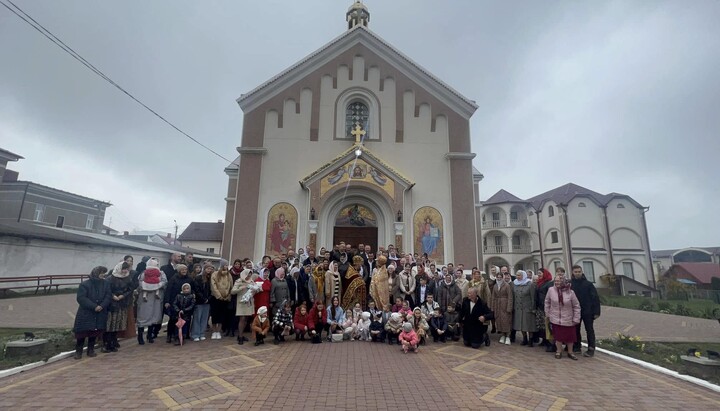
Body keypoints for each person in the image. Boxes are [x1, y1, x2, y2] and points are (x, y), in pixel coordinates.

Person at [73, 266, 111, 359]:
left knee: (94, 331)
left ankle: (91, 350)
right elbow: (81, 298)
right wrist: (94, 306)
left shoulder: (106, 284)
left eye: (104, 273)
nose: (103, 275)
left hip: (100, 312)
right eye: (101, 272)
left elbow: (108, 296)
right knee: (82, 332)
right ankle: (79, 351)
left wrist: (102, 306)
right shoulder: (85, 284)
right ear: (96, 273)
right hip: (86, 312)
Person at [545, 273, 581, 360]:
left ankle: (570, 352)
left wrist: (576, 318)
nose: (557, 283)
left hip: (568, 317)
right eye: (556, 281)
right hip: (555, 317)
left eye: (559, 281)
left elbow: (576, 306)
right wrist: (548, 313)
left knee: (570, 336)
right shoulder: (551, 290)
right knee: (558, 336)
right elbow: (547, 302)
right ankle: (559, 351)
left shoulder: (570, 292)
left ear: (564, 281)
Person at [571, 264, 601, 357]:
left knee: (589, 330)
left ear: (582, 272)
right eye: (575, 272)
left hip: (588, 311)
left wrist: (596, 312)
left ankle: (591, 348)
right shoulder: (570, 284)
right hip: (576, 311)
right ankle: (577, 346)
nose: (577, 274)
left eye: (579, 272)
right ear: (572, 272)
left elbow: (595, 298)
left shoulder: (588, 284)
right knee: (575, 329)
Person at [103, 261, 133, 353]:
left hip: (122, 303)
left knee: (118, 324)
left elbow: (130, 289)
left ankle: (113, 340)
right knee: (110, 324)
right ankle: (107, 343)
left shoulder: (128, 278)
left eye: (126, 269)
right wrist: (112, 296)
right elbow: (106, 289)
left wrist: (123, 295)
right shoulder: (110, 278)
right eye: (123, 269)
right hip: (111, 305)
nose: (125, 271)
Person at [513, 270, 538, 347]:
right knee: (521, 324)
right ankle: (524, 338)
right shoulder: (515, 283)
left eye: (519, 275)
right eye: (517, 275)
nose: (518, 277)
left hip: (527, 307)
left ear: (523, 276)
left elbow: (533, 297)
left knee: (528, 325)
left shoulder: (529, 284)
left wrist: (533, 308)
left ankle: (530, 339)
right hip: (518, 308)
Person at [231, 268, 255, 345]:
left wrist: (256, 289)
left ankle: (241, 335)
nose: (249, 276)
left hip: (249, 301)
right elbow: (233, 291)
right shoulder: (239, 281)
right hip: (241, 302)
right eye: (248, 275)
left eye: (250, 275)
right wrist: (242, 287)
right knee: (242, 318)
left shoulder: (251, 281)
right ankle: (240, 336)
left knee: (246, 319)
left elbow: (254, 289)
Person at [210, 261, 233, 340]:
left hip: (225, 299)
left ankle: (218, 331)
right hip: (216, 298)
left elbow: (231, 286)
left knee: (221, 315)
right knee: (214, 315)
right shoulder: (215, 274)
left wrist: (228, 295)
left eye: (227, 265)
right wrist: (218, 295)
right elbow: (213, 286)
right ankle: (214, 331)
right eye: (224, 265)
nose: (226, 266)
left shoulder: (228, 275)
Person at [191, 263, 213, 341]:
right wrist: (203, 298)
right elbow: (197, 290)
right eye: (208, 268)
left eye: (210, 269)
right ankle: (195, 334)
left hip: (208, 302)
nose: (209, 270)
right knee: (197, 318)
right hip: (199, 301)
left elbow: (212, 290)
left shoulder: (211, 278)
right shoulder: (198, 278)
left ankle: (202, 333)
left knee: (204, 318)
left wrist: (208, 299)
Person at [490, 270, 513, 345]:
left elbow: (510, 297)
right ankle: (502, 335)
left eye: (500, 277)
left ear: (502, 278)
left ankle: (508, 336)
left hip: (505, 304)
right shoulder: (495, 286)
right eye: (498, 277)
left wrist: (509, 307)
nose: (499, 278)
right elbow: (493, 297)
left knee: (506, 320)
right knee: (499, 320)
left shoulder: (507, 285)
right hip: (497, 305)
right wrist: (492, 307)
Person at [535, 268, 555, 352]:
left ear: (545, 274)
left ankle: (550, 343)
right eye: (538, 273)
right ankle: (544, 340)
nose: (539, 275)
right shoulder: (540, 282)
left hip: (546, 307)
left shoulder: (549, 283)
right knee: (542, 325)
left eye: (540, 273)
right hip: (540, 306)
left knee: (548, 325)